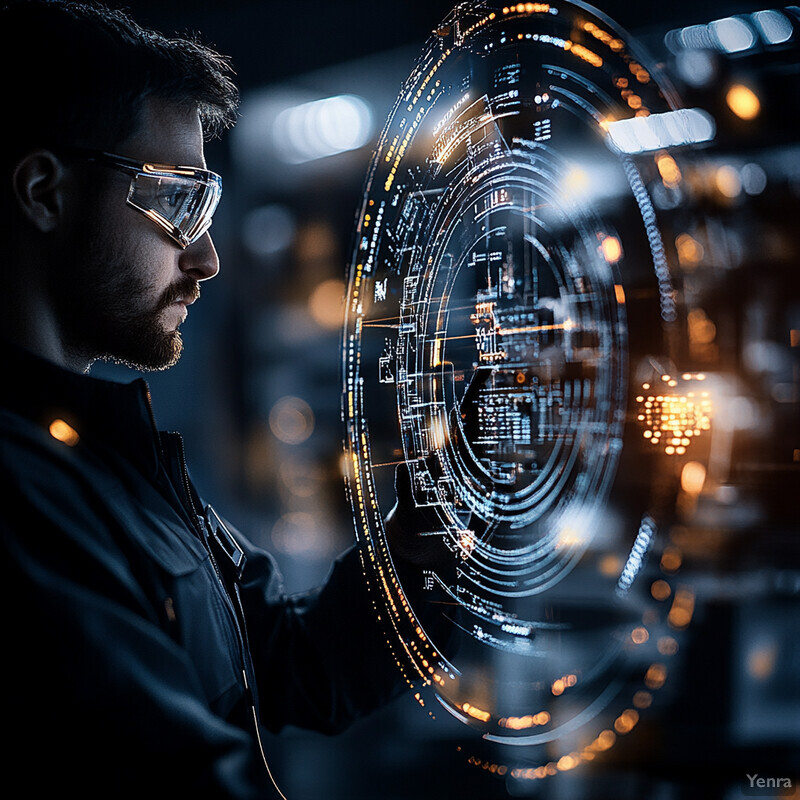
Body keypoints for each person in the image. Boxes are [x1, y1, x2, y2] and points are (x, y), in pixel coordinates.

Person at [0, 2, 424, 796]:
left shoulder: (105, 457)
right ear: (44, 192)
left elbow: (302, 668)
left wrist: (454, 498)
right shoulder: (23, 488)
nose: (206, 258)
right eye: (174, 202)